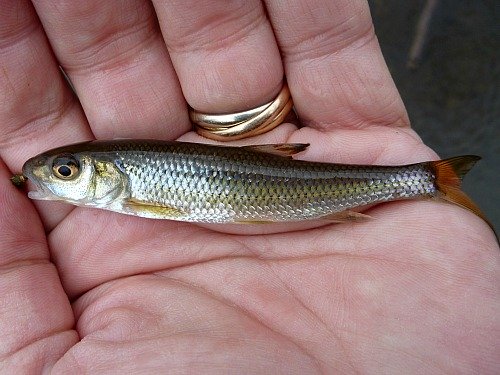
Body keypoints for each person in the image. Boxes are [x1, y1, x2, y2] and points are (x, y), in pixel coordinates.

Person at [0, 1, 498, 373]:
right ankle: (423, 182)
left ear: (108, 174)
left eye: (67, 172)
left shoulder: (133, 194)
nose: (53, 179)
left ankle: (426, 181)